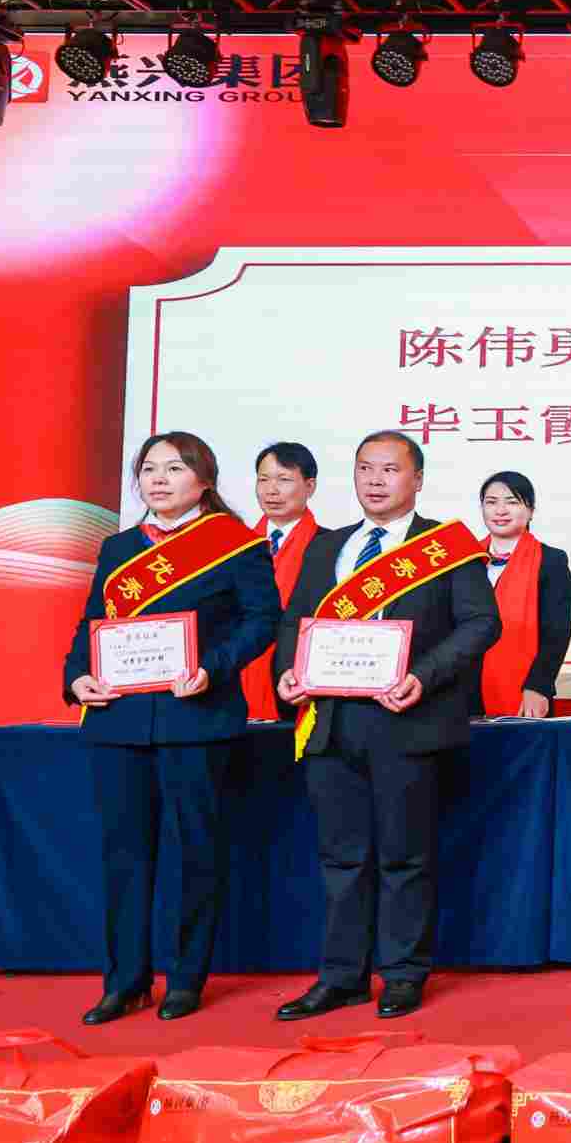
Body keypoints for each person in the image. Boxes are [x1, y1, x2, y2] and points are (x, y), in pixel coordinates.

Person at [273, 430, 498, 1021]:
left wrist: (423, 674)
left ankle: (402, 974)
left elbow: (481, 624)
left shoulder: (447, 546)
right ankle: (341, 977)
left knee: (405, 856)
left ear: (417, 479)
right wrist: (288, 672)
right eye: (365, 468)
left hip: (408, 721)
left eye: (390, 470)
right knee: (341, 859)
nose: (375, 480)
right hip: (330, 723)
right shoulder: (328, 546)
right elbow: (295, 621)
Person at [64, 432, 278, 1024]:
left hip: (196, 718)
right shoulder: (118, 547)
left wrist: (213, 667)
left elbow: (263, 620)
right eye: (149, 469)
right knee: (125, 856)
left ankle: (185, 979)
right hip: (120, 720)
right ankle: (125, 982)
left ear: (204, 480)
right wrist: (77, 676)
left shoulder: (235, 542)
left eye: (175, 468)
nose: (158, 479)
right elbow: (91, 623)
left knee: (195, 853)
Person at [475, 471, 571, 718]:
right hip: (464, 689)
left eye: (512, 502)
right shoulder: (465, 560)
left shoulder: (551, 560)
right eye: (491, 502)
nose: (500, 510)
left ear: (530, 510)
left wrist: (538, 686)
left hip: (525, 690)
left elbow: (557, 633)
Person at [240, 441, 321, 721]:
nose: (271, 490)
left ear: (310, 486)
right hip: (237, 683)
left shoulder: (329, 546)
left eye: (284, 480)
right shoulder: (235, 547)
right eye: (263, 480)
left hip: (298, 686)